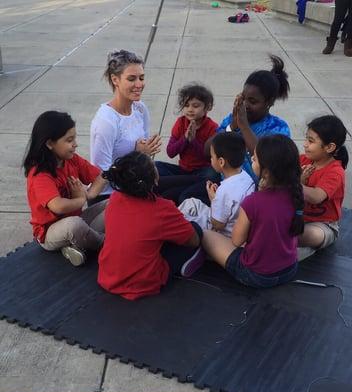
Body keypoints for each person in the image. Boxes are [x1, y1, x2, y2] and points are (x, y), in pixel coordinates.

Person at [183, 135, 304, 287]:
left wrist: (215, 201)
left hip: (257, 275)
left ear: (266, 172)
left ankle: (202, 254)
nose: (251, 160)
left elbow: (236, 240)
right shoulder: (296, 194)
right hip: (290, 269)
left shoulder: (253, 202)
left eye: (254, 159)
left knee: (205, 234)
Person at [176, 55, 291, 206]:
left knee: (186, 199)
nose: (246, 105)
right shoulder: (234, 119)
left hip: (252, 194)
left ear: (268, 102)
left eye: (253, 101)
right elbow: (207, 150)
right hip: (222, 184)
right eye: (244, 98)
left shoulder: (278, 128)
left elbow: (265, 160)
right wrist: (232, 126)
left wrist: (244, 126)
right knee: (181, 196)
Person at [98, 151, 204, 300]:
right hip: (142, 283)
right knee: (196, 230)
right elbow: (193, 239)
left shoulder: (115, 198)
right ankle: (187, 263)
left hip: (107, 275)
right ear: (154, 178)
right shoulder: (162, 209)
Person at [23, 111, 107, 267]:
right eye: (69, 140)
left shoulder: (71, 159)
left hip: (79, 219)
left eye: (74, 138)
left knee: (113, 203)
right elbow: (58, 206)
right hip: (50, 232)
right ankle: (106, 244)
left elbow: (100, 177)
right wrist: (80, 199)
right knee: (74, 225)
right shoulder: (40, 174)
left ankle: (79, 245)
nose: (75, 144)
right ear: (49, 144)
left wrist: (88, 195)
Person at [90, 49, 162, 203]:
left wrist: (145, 155)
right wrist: (137, 154)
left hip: (137, 182)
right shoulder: (106, 121)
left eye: (141, 78)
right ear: (115, 79)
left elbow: (143, 152)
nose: (139, 84)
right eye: (131, 79)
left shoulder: (140, 108)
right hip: (111, 194)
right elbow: (103, 173)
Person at [178, 133, 254, 237]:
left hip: (223, 233)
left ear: (221, 162)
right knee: (190, 203)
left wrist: (213, 199)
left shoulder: (224, 190)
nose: (211, 160)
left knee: (185, 215)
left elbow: (218, 224)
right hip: (236, 225)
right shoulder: (247, 177)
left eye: (212, 157)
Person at [298, 115, 349, 260]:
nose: (305, 144)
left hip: (323, 225)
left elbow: (316, 197)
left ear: (329, 147)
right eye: (306, 139)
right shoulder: (303, 160)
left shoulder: (335, 171)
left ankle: (293, 246)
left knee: (311, 235)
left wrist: (297, 184)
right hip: (297, 217)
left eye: (311, 141)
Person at [156, 83, 218, 179]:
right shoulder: (180, 123)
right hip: (182, 170)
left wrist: (193, 141)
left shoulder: (212, 127)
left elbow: (209, 158)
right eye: (186, 105)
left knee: (212, 174)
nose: (190, 109)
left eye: (195, 106)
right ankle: (185, 184)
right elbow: (170, 152)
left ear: (208, 107)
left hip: (202, 171)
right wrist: (185, 138)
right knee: (155, 166)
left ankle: (180, 184)